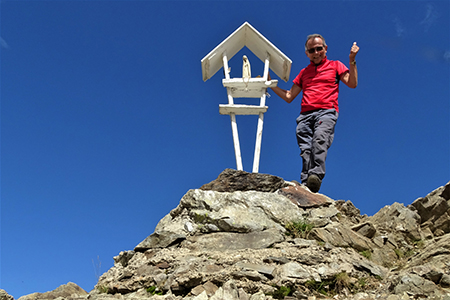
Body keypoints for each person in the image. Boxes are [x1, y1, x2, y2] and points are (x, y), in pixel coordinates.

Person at [269, 34, 359, 193]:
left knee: (320, 138)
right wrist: (270, 84)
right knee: (305, 149)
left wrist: (352, 59)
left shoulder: (335, 65)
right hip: (305, 115)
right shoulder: (304, 73)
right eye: (312, 50)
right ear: (307, 53)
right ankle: (307, 183)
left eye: (319, 49)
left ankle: (315, 176)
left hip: (326, 111)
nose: (316, 53)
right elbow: (289, 96)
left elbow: (352, 83)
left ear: (325, 48)